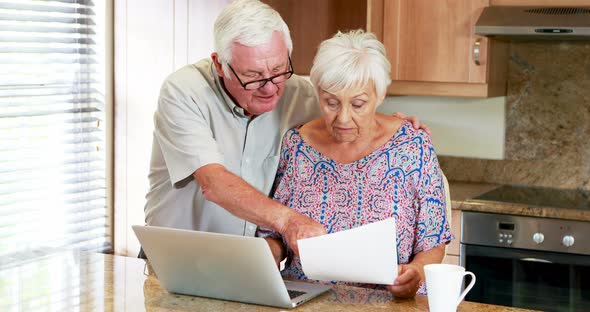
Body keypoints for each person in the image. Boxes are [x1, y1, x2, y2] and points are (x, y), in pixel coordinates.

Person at [142, 0, 426, 259]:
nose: (270, 87)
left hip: (250, 267)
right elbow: (213, 183)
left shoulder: (300, 96)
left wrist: (389, 124)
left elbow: (345, 114)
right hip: (176, 260)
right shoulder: (184, 91)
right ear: (220, 64)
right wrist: (290, 221)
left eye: (278, 70)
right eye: (253, 76)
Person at [257, 30, 452, 299]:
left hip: (387, 302)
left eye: (358, 104)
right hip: (305, 299)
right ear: (318, 93)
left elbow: (433, 241)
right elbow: (274, 235)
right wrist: (260, 258)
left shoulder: (412, 145)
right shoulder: (296, 144)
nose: (343, 118)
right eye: (331, 102)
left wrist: (416, 273)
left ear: (380, 95)